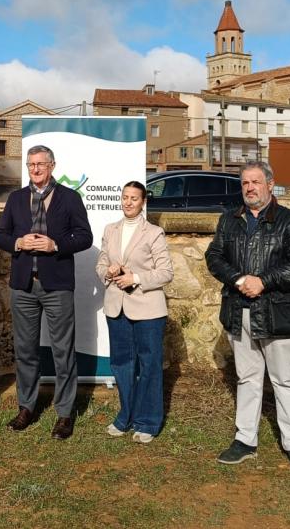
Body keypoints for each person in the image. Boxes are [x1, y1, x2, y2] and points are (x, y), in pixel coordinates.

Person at [205, 160, 290, 476]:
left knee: (283, 379)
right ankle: (245, 440)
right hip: (238, 309)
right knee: (248, 378)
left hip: (276, 312)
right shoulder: (230, 221)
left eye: (256, 182)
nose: (250, 188)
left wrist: (263, 281)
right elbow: (214, 257)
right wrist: (240, 280)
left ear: (270, 184)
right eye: (245, 183)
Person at [0, 145, 93, 440]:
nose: (35, 169)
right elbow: (0, 235)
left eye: (40, 164)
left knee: (63, 351)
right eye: (31, 164)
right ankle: (26, 407)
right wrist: (19, 243)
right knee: (25, 351)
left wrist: (55, 245)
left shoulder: (69, 198)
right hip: (24, 285)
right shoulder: (16, 199)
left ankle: (64, 413)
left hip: (57, 285)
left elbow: (85, 236)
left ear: (52, 166)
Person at [95, 180, 173, 444]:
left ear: (143, 202)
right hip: (116, 307)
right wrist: (107, 271)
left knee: (150, 365)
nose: (128, 202)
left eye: (134, 198)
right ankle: (125, 416)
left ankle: (148, 421)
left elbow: (166, 273)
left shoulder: (154, 233)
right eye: (125, 197)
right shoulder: (110, 230)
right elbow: (102, 262)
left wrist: (135, 278)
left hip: (148, 309)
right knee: (121, 364)